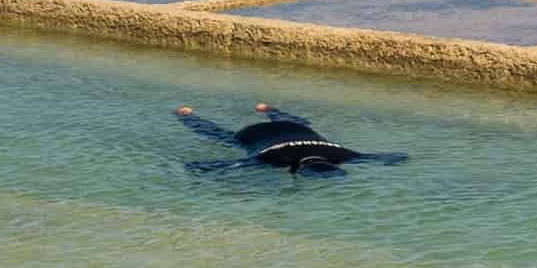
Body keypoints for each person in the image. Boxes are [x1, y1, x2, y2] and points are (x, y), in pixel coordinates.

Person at [174, 102, 407, 175]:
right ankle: (187, 117)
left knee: (304, 126)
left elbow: (390, 157)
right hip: (253, 135)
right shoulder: (274, 158)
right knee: (221, 136)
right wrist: (198, 168)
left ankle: (268, 110)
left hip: (295, 127)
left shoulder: (344, 155)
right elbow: (231, 166)